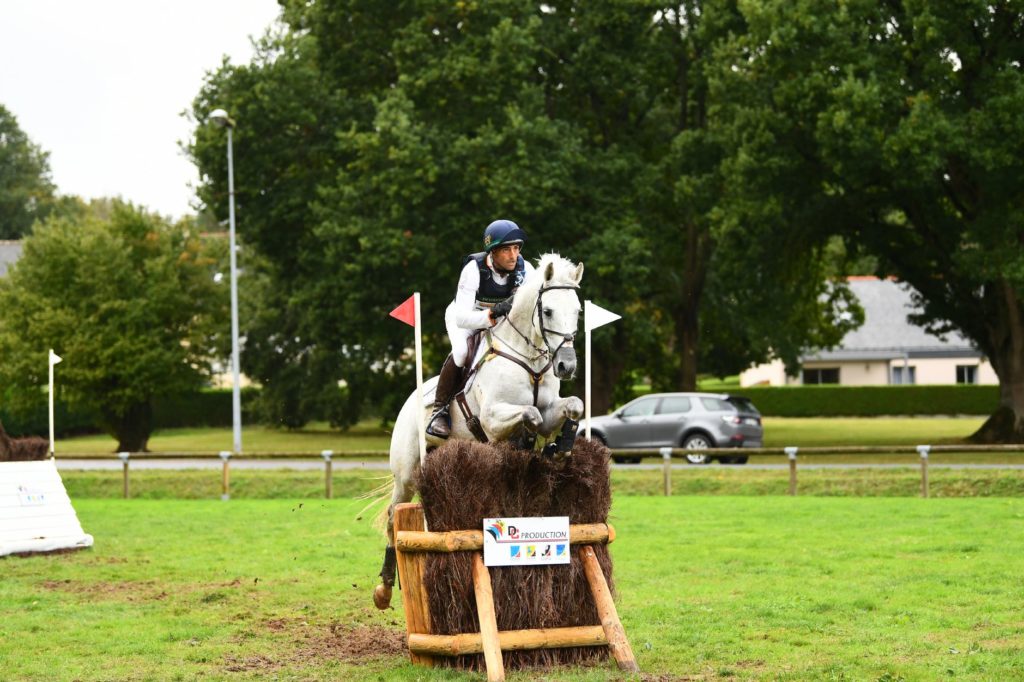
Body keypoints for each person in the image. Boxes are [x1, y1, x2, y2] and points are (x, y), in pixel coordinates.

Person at [426, 219, 535, 438]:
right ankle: (439, 411)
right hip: (466, 318)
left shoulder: (526, 270)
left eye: (516, 248)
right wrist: (494, 313)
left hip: (501, 323)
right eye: (506, 250)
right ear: (492, 251)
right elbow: (462, 318)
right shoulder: (473, 270)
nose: (514, 255)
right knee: (462, 352)